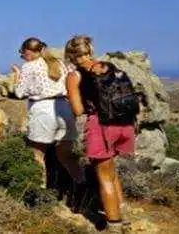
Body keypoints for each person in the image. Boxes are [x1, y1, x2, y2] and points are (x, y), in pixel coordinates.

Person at [65, 35, 137, 233]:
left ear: (71, 55)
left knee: (104, 176)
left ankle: (113, 225)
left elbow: (78, 110)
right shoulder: (109, 66)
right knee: (112, 172)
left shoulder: (74, 76)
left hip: (101, 126)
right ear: (90, 50)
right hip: (124, 124)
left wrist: (71, 99)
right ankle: (124, 216)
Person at [11, 38, 84, 189]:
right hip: (64, 108)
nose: (22, 57)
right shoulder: (60, 64)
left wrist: (17, 75)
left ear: (28, 52)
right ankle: (83, 185)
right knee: (66, 155)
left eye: (22, 53)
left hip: (43, 110)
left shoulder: (29, 66)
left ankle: (40, 192)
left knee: (37, 154)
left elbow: (19, 93)